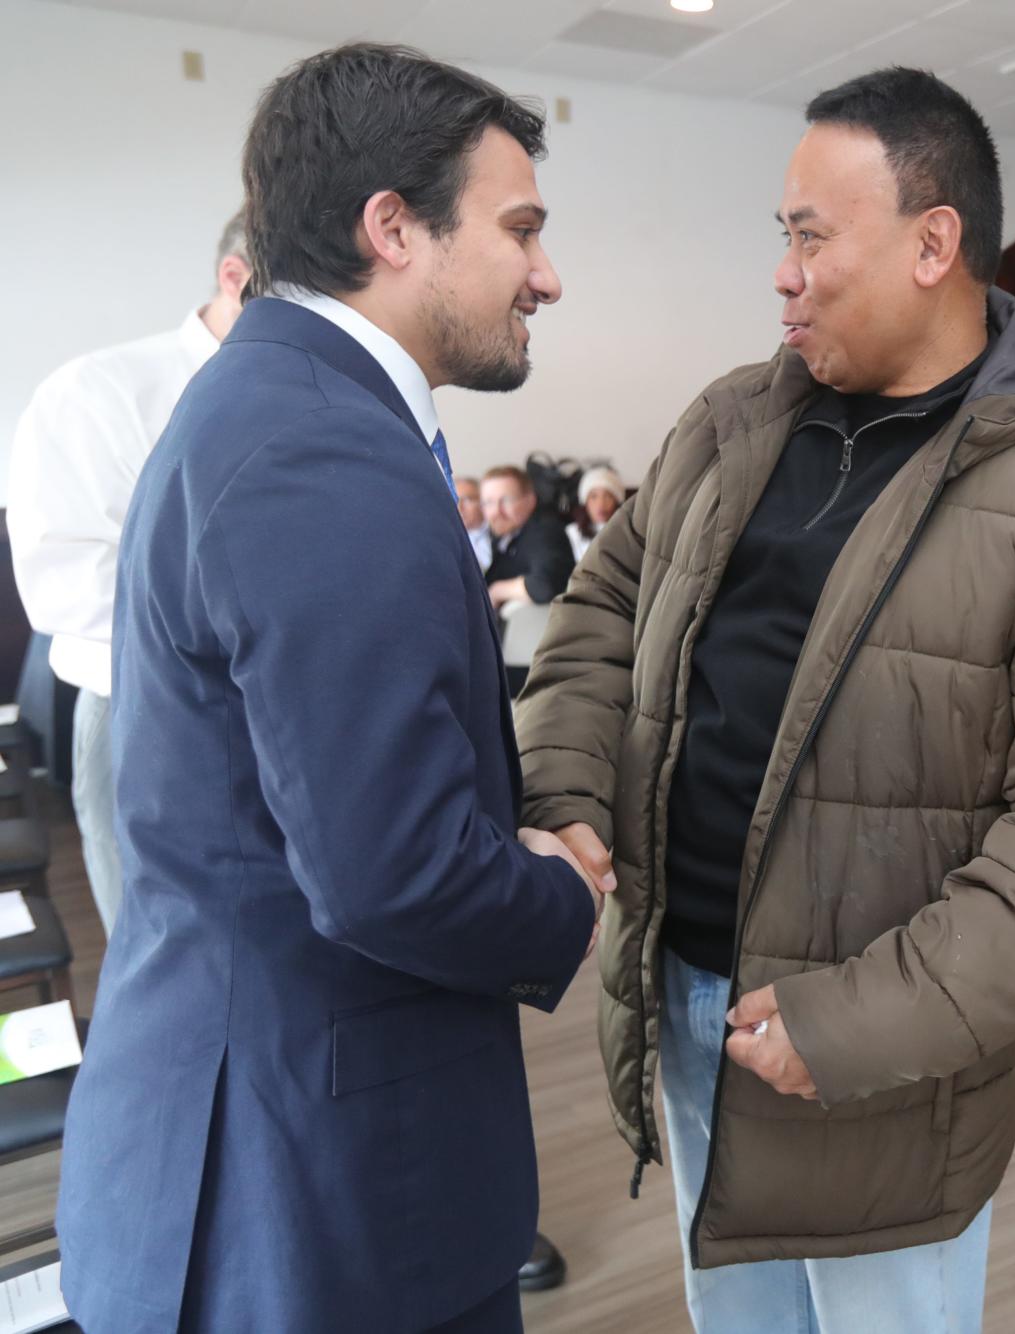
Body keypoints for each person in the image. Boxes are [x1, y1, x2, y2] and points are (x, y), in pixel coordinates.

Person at [515, 67, 1015, 1334]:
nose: (783, 270)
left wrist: (854, 1022)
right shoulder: (730, 424)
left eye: (811, 235)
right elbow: (603, 611)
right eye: (784, 235)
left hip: (875, 1069)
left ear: (935, 243)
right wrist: (563, 784)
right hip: (687, 998)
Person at [56, 44, 603, 1334]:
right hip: (310, 1176)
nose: (547, 274)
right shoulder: (319, 445)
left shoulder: (279, 405)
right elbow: (389, 872)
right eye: (520, 229)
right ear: (392, 228)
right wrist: (558, 889)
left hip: (273, 1114)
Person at [7, 214, 251, 936]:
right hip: (144, 701)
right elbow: (62, 578)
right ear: (235, 278)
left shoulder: (315, 393)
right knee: (157, 934)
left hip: (280, 697)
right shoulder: (100, 390)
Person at [481, 464, 575, 610]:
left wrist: (497, 590)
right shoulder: (503, 536)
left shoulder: (544, 532)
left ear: (530, 500)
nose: (496, 512)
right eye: (488, 503)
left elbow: (545, 585)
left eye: (506, 500)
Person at [566, 465, 625, 562]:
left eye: (608, 496)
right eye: (594, 496)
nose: (601, 503)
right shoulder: (572, 533)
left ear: (616, 501)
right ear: (585, 502)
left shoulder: (626, 533)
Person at [456, 474, 493, 570]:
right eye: (454, 501)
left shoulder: (501, 533)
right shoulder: (445, 540)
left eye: (467, 500)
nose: (459, 508)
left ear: (483, 501)